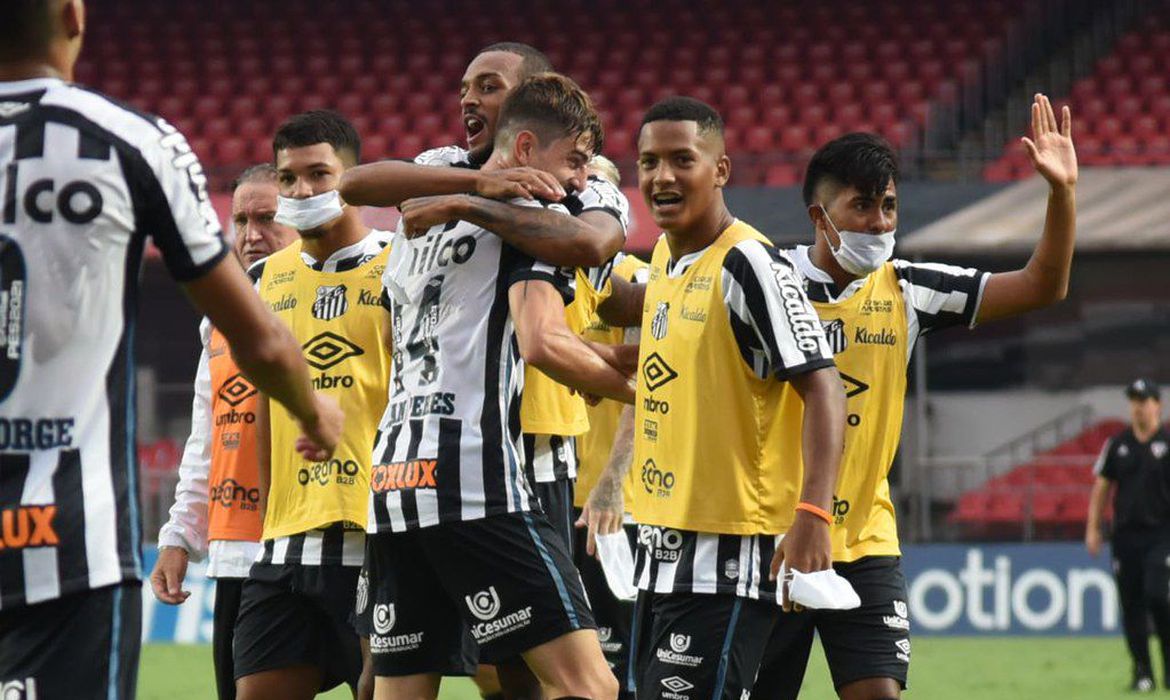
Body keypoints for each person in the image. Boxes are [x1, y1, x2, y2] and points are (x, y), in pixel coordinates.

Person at [0, 2, 341, 698]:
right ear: (74, 17)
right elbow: (253, 338)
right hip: (73, 543)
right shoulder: (132, 141)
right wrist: (313, 411)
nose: (251, 234)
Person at [754, 94, 1077, 700]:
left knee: (879, 692)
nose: (881, 224)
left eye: (889, 206)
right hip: (771, 537)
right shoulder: (764, 280)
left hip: (866, 539)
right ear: (819, 216)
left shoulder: (908, 289)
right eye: (862, 207)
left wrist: (1061, 194)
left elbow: (1042, 285)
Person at [365, 73, 632, 700]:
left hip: (395, 478)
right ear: (527, 147)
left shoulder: (422, 213)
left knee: (401, 691)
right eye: (575, 162)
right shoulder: (535, 217)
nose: (579, 181)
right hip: (474, 480)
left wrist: (600, 358)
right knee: (588, 685)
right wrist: (657, 397)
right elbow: (544, 342)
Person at [627, 96, 846, 700]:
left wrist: (814, 513)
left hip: (727, 557)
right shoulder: (665, 257)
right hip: (662, 550)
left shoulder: (750, 263)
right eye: (649, 162)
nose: (662, 177)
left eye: (682, 160)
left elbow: (823, 385)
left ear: (720, 169)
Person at [232, 111, 390, 700]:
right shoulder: (261, 280)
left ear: (353, 178)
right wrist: (267, 521)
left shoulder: (401, 265)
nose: (301, 191)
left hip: (376, 532)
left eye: (319, 174)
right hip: (287, 540)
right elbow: (263, 411)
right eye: (288, 178)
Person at [150, 164, 300, 700]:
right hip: (240, 551)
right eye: (240, 221)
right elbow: (207, 438)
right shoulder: (217, 321)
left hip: (330, 544)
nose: (251, 235)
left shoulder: (339, 299)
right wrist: (179, 537)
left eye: (268, 218)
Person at [572, 156, 648, 700]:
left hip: (613, 507)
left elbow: (648, 390)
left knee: (616, 663)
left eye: (598, 181)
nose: (585, 190)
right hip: (544, 495)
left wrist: (612, 483)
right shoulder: (545, 277)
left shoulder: (640, 282)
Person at [1087, 379, 1170, 693]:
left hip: (1162, 535)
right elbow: (1101, 488)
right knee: (1131, 605)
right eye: (1134, 400)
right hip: (1125, 538)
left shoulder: (1167, 444)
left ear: (1157, 405)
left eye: (1143, 400)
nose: (1138, 407)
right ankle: (1142, 673)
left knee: (1158, 596)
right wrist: (1093, 528)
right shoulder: (1117, 445)